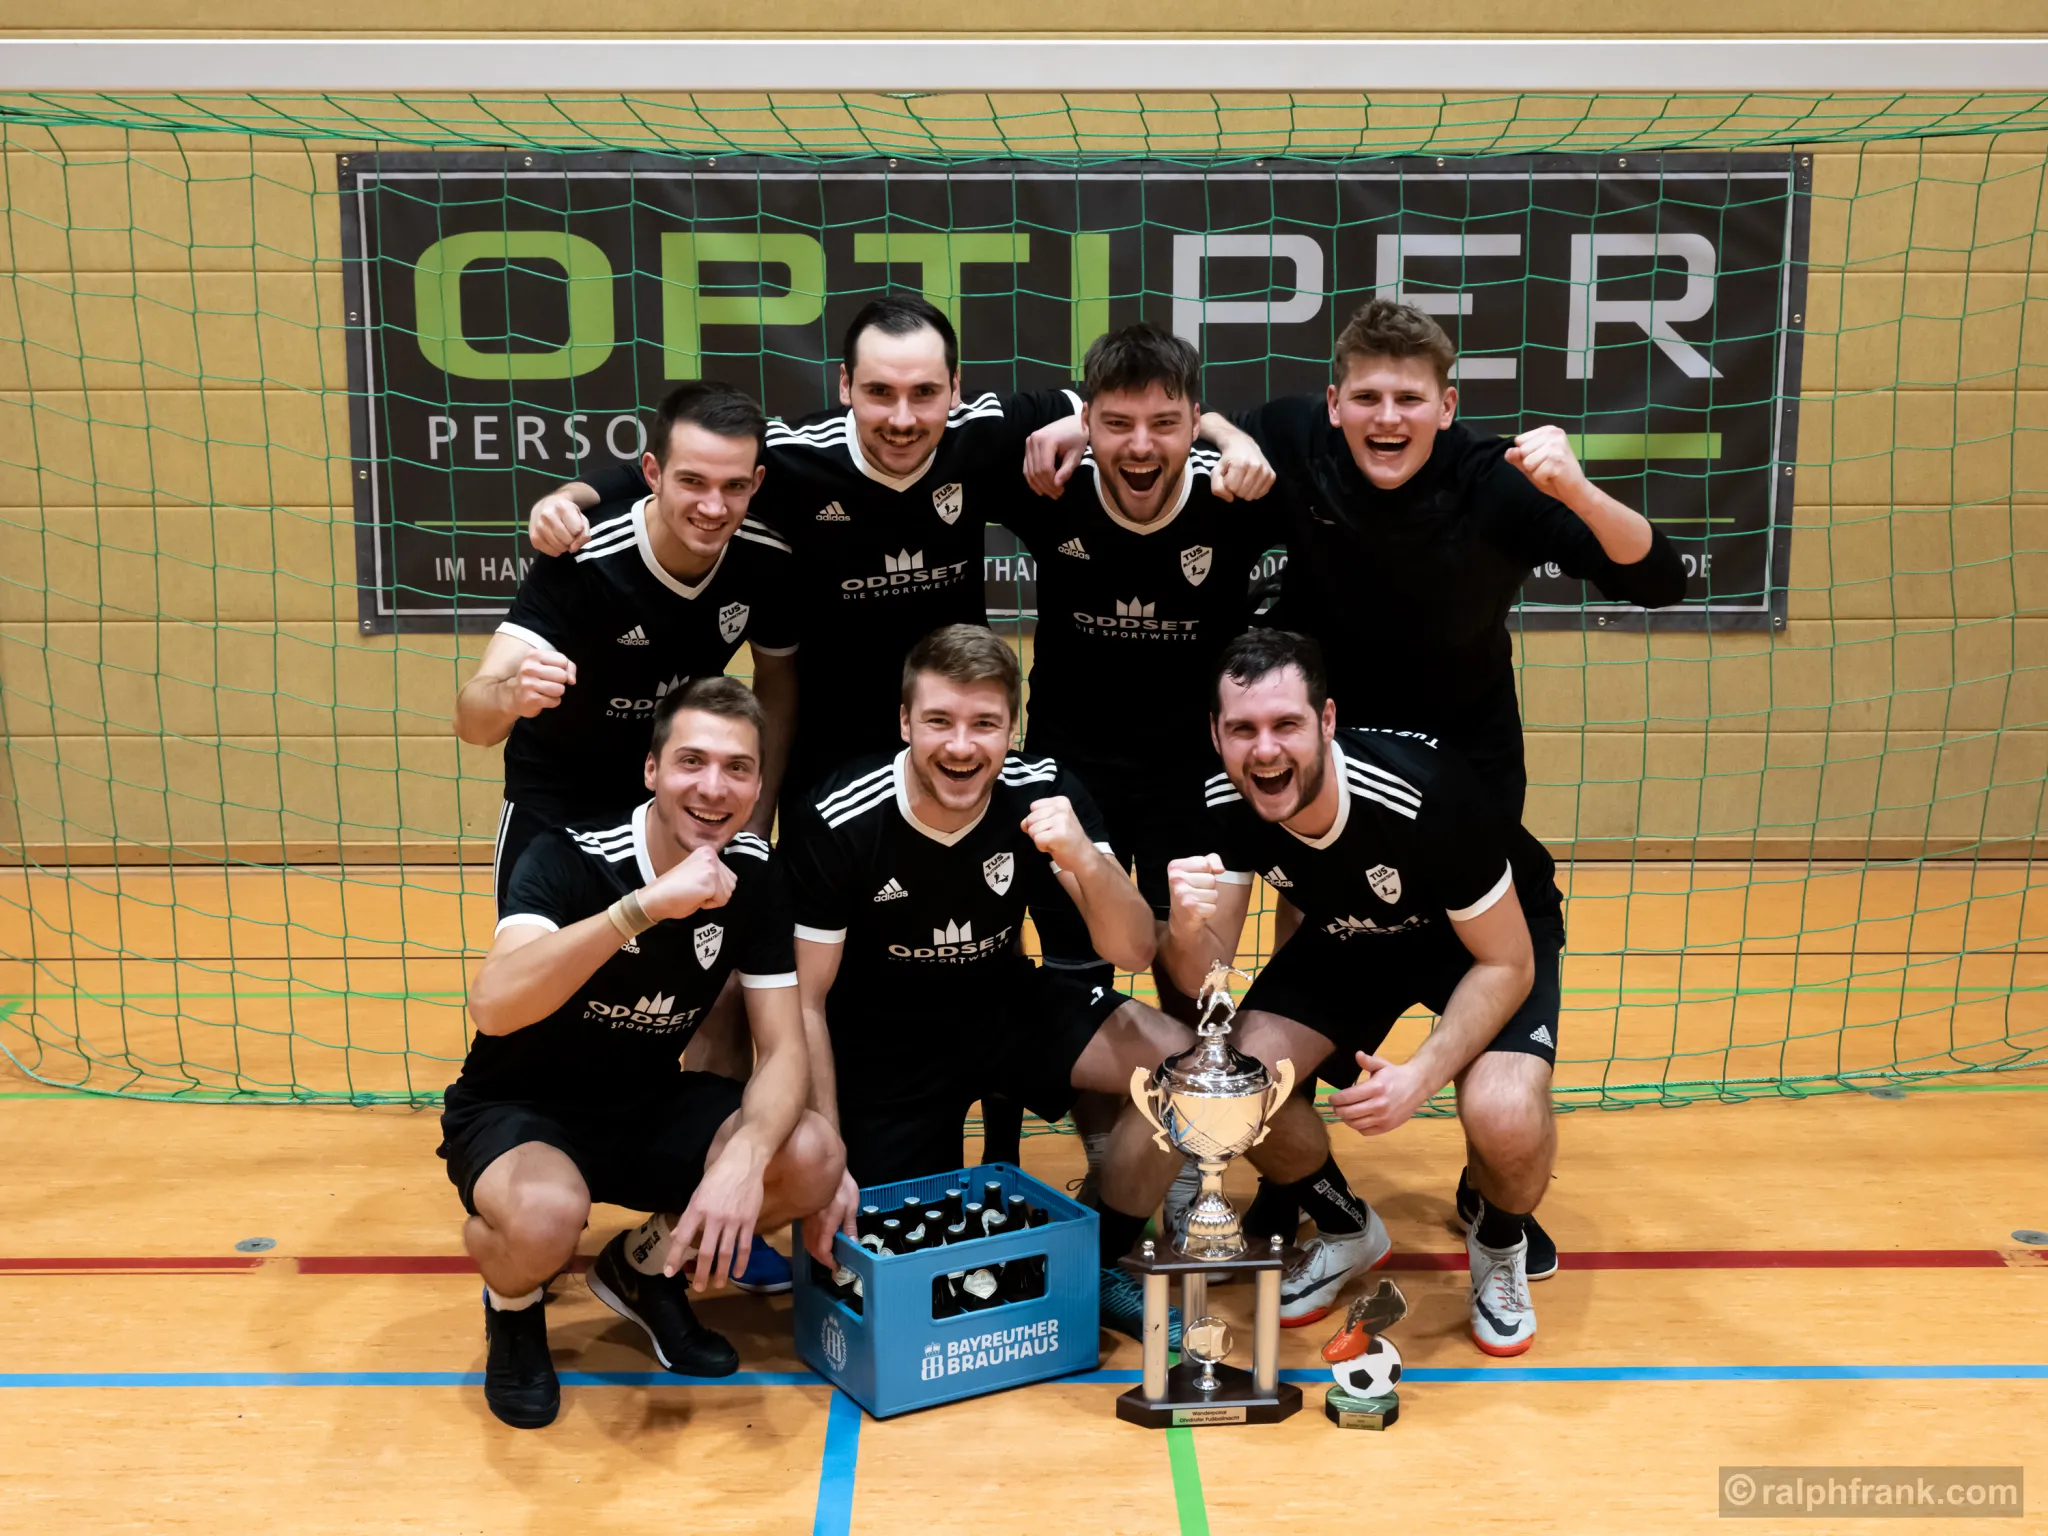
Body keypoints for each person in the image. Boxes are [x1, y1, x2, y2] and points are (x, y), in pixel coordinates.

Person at [442, 677, 844, 1428]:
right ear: (652, 770)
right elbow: (493, 1006)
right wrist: (642, 908)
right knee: (543, 1217)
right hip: (520, 1107)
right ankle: (513, 1306)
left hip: (646, 1102)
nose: (714, 788)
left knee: (813, 1155)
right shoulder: (570, 855)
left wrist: (747, 1155)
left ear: (758, 786)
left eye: (737, 768)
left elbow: (784, 1047)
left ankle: (643, 1268)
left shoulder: (755, 873)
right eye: (692, 761)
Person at [780, 624, 1194, 1341]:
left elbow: (1130, 949)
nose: (961, 746)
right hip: (883, 1044)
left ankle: (1095, 1261)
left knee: (1187, 1069)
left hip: (1003, 1006)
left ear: (1012, 730)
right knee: (905, 1280)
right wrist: (830, 1157)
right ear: (905, 721)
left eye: (984, 724)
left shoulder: (1044, 792)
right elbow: (806, 1002)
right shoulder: (840, 816)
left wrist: (1083, 858)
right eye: (939, 721)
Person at [1160, 630, 1560, 1355]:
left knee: (1502, 1110)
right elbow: (1201, 977)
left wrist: (1419, 1078)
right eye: (1243, 729)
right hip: (1352, 932)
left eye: (1286, 724)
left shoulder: (1422, 793)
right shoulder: (1220, 797)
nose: (1265, 750)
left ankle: (1500, 1243)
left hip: (1484, 940)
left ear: (1327, 721)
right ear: (1216, 734)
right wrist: (1185, 929)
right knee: (1232, 1092)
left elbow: (1507, 964)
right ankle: (1347, 1228)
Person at [457, 381, 798, 910]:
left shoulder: (766, 560)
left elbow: (776, 682)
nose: (713, 506)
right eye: (692, 481)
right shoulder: (583, 557)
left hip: (676, 803)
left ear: (756, 483)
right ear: (653, 474)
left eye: (733, 486)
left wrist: (756, 819)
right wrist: (511, 695)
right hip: (556, 799)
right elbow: (471, 723)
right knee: (534, 961)